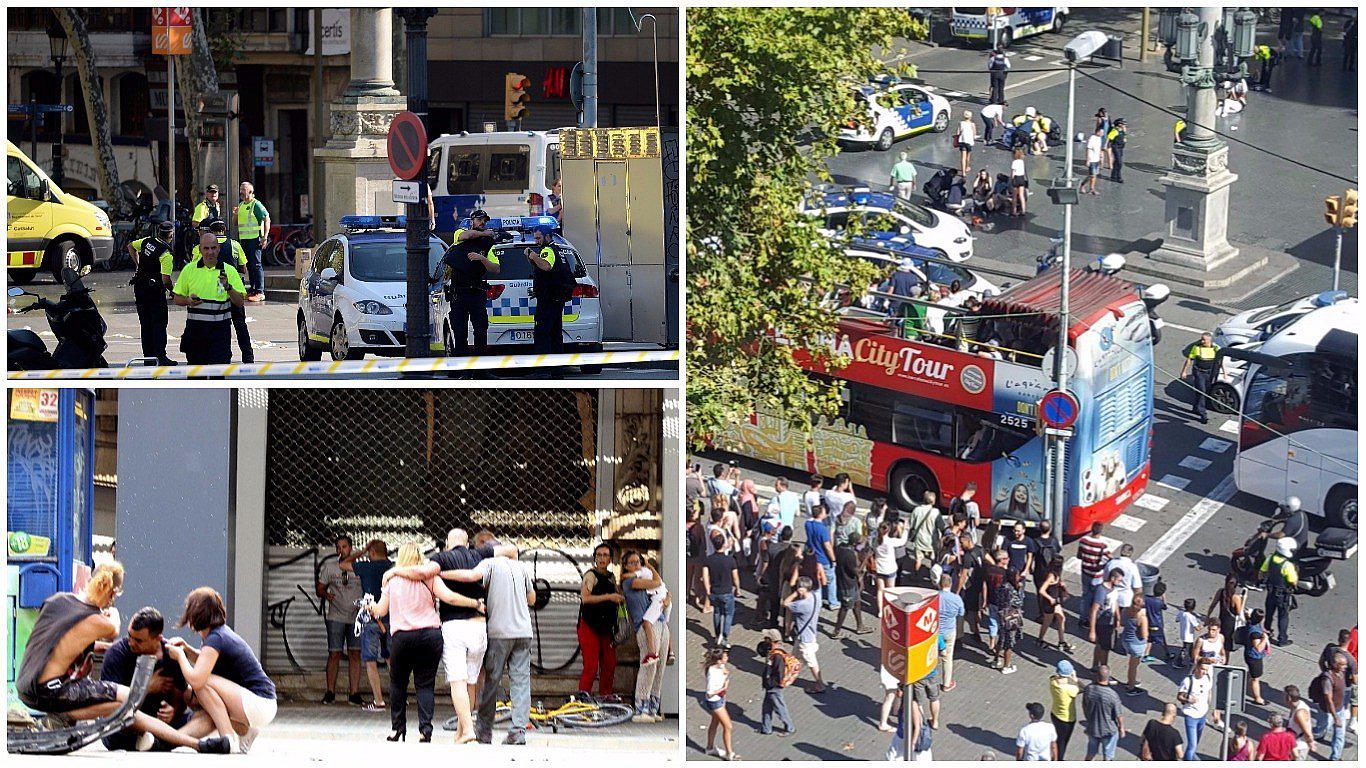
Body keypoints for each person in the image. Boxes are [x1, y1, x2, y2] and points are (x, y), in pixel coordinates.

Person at [369, 543, 481, 743]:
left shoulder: (392, 579)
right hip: (430, 636)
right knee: (425, 685)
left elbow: (381, 611)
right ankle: (425, 730)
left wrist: (370, 607)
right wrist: (475, 603)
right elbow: (450, 597)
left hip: (402, 638)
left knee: (398, 684)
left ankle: (397, 729)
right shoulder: (430, 578)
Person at [439, 534, 537, 744]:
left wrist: (441, 573)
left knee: (491, 682)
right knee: (521, 681)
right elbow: (532, 599)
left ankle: (484, 731)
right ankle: (518, 731)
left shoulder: (489, 563)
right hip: (523, 632)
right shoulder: (521, 568)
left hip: (499, 632)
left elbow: (470, 576)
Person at [170, 586, 278, 753]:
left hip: (259, 702)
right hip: (260, 704)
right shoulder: (218, 635)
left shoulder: (216, 638)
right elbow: (206, 661)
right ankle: (245, 732)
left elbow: (197, 679)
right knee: (203, 689)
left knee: (202, 683)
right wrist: (187, 649)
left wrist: (180, 656)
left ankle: (227, 738)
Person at [97, 607, 192, 752]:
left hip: (162, 724)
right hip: (126, 727)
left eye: (138, 640)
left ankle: (161, 740)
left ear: (157, 639)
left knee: (201, 717)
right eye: (129, 636)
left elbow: (181, 700)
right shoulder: (116, 653)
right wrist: (146, 687)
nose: (131, 642)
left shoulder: (171, 655)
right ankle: (167, 741)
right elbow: (109, 706)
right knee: (115, 727)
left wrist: (173, 710)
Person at [172, 233, 247, 364]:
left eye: (213, 248)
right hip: (196, 334)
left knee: (219, 373)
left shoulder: (229, 270)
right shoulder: (189, 270)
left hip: (220, 335)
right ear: (200, 249)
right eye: (206, 248)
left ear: (218, 249)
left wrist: (228, 287)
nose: (210, 252)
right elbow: (177, 298)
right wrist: (188, 301)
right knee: (196, 374)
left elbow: (240, 302)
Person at [437, 209, 502, 357]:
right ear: (472, 221)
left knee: (480, 329)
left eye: (484, 220)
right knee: (459, 330)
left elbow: (496, 269)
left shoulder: (488, 244)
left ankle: (480, 365)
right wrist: (486, 233)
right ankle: (462, 365)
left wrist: (482, 259)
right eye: (479, 220)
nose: (482, 223)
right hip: (459, 293)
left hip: (476, 292)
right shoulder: (460, 233)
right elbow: (469, 235)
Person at [190, 219, 254, 364]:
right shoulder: (234, 245)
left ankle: (221, 356)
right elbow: (243, 268)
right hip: (232, 290)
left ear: (211, 232)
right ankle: (248, 356)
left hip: (213, 292)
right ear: (224, 229)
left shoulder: (201, 248)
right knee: (240, 324)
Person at [622, 551, 671, 723]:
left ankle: (652, 708)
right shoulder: (630, 582)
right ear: (626, 566)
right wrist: (650, 567)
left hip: (661, 622)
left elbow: (662, 590)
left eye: (639, 562)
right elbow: (657, 582)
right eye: (632, 562)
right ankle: (641, 708)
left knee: (659, 668)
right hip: (645, 626)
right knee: (649, 666)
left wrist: (667, 599)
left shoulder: (643, 579)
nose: (637, 565)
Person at [316, 535, 364, 706]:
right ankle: (330, 692)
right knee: (334, 653)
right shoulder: (330, 568)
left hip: (356, 617)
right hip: (335, 616)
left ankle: (354, 693)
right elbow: (319, 589)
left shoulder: (360, 568)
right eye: (338, 547)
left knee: (355, 654)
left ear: (350, 548)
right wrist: (326, 595)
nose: (341, 550)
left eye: (344, 547)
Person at [350, 540, 393, 712]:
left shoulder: (366, 567)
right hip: (391, 618)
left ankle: (379, 701)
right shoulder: (393, 568)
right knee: (391, 659)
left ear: (372, 552)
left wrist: (362, 551)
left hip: (371, 619)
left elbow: (343, 563)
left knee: (370, 660)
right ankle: (399, 698)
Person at [127, 220, 177, 365]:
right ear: (171, 235)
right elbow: (166, 279)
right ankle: (160, 356)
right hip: (154, 291)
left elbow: (130, 246)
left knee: (145, 324)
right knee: (159, 323)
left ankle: (148, 358)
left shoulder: (147, 241)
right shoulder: (166, 254)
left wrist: (138, 265)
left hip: (140, 287)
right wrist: (172, 291)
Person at [578, 543, 625, 696]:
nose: (602, 558)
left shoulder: (611, 577)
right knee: (591, 667)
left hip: (606, 628)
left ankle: (605, 697)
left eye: (605, 555)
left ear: (610, 559)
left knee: (609, 665)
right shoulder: (591, 575)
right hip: (589, 626)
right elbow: (585, 598)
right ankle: (583, 698)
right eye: (599, 555)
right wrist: (609, 597)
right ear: (594, 558)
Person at [527, 224, 574, 358]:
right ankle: (556, 366)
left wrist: (534, 256)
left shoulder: (547, 250)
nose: (536, 241)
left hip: (548, 299)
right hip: (556, 298)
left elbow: (546, 266)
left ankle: (543, 366)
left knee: (542, 333)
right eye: (535, 238)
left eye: (538, 238)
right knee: (555, 333)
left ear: (547, 236)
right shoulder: (558, 250)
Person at [783, 577, 826, 693]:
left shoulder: (801, 605)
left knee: (812, 662)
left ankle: (820, 684)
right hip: (809, 634)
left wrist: (794, 594)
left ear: (802, 589)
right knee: (795, 657)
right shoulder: (816, 596)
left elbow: (785, 603)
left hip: (805, 639)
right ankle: (789, 675)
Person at [231, 181, 269, 301]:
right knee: (249, 265)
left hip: (254, 239)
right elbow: (235, 223)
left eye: (244, 189)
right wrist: (235, 214)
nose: (241, 192)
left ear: (251, 191)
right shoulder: (241, 205)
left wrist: (265, 237)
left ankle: (260, 291)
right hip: (244, 240)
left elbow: (266, 219)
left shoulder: (256, 205)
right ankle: (252, 290)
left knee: (256, 265)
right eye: (241, 189)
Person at [702, 533, 740, 647]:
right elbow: (735, 577)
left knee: (717, 612)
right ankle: (724, 637)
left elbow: (705, 576)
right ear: (724, 544)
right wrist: (737, 588)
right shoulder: (730, 560)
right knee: (729, 614)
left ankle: (717, 635)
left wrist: (708, 591)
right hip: (727, 592)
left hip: (714, 592)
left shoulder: (708, 560)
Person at [1260, 535, 1298, 646]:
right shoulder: (1287, 565)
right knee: (1283, 617)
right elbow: (1293, 581)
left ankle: (1266, 633)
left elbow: (1262, 572)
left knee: (1269, 614)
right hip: (1282, 596)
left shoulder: (1270, 558)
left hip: (1270, 592)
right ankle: (1282, 639)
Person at [1310, 653, 1349, 760]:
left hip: (1340, 709)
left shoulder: (1341, 672)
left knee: (1340, 735)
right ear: (1335, 664)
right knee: (1322, 727)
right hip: (1328, 711)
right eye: (1343, 665)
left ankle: (1335, 758)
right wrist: (1335, 717)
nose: (1345, 667)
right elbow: (1329, 700)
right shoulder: (1327, 679)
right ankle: (1310, 736)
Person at [1081, 665, 1124, 761]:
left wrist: (1088, 719)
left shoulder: (1089, 689)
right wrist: (1121, 728)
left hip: (1093, 727)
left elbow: (1084, 705)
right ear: (1109, 676)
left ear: (1097, 676)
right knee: (1108, 755)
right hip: (1108, 729)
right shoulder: (1112, 695)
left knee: (1091, 753)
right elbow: (1118, 714)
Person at [758, 628, 796, 736]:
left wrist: (771, 683)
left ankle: (789, 727)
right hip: (770, 686)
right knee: (767, 707)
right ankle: (766, 728)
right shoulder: (773, 651)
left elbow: (779, 673)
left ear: (770, 640)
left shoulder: (777, 655)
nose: (764, 640)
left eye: (766, 638)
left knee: (779, 707)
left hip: (773, 686)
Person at [702, 647, 737, 760]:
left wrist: (725, 673)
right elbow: (709, 693)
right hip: (715, 701)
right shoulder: (712, 674)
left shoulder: (720, 665)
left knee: (715, 722)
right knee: (728, 726)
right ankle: (729, 753)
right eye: (725, 657)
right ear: (718, 660)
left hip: (721, 698)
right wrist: (723, 688)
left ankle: (709, 748)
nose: (727, 658)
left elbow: (724, 671)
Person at [832, 532, 870, 638]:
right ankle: (836, 632)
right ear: (854, 544)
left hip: (849, 583)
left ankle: (860, 626)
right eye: (859, 543)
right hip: (847, 585)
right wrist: (866, 559)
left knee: (857, 602)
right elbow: (857, 571)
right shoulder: (849, 555)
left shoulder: (840, 548)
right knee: (845, 607)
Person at [1177, 659, 1215, 760]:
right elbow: (1179, 696)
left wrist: (1212, 708)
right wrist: (1188, 699)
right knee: (1192, 745)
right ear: (1197, 667)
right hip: (1191, 715)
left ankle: (1191, 756)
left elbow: (1209, 692)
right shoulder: (1188, 681)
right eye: (1202, 669)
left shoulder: (1207, 678)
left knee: (1196, 741)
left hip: (1202, 714)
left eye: (1206, 670)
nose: (1204, 672)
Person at [1180, 332, 1222, 423]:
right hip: (1199, 372)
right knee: (1202, 391)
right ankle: (1203, 414)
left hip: (1209, 373)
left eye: (1204, 340)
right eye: (1201, 339)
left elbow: (1220, 361)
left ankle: (1196, 407)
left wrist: (1225, 373)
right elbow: (1189, 360)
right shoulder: (1197, 348)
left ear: (1210, 340)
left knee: (1203, 391)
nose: (1202, 341)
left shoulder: (1215, 348)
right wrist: (1184, 371)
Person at [1089, 568, 1125, 672]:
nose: (1120, 582)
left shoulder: (1113, 588)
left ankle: (1095, 667)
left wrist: (1118, 617)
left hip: (1110, 622)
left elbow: (1115, 601)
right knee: (1105, 648)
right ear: (1112, 578)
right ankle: (1103, 671)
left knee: (1100, 646)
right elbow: (1094, 611)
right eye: (1119, 580)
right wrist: (1092, 631)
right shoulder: (1101, 591)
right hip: (1102, 623)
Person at [805, 504, 839, 610]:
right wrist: (833, 559)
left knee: (817, 580)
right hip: (824, 559)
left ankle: (817, 602)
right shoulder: (823, 529)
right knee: (831, 580)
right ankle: (833, 602)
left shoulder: (807, 524)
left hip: (813, 557)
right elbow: (827, 546)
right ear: (820, 514)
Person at [1076, 522, 1110, 626]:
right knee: (1096, 598)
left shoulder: (1083, 540)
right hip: (1097, 575)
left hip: (1085, 572)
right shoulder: (1103, 545)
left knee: (1085, 596)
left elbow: (1079, 556)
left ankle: (1083, 618)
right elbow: (1106, 559)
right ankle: (1092, 619)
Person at [1035, 556, 1072, 651]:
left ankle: (1061, 642)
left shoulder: (1056, 574)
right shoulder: (1051, 576)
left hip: (1055, 602)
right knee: (1047, 622)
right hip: (1049, 603)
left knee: (1061, 618)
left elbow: (1058, 584)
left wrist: (1063, 588)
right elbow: (1042, 590)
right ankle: (1040, 639)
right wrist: (1050, 598)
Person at [936, 573, 965, 691]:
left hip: (935, 632)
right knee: (947, 658)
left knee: (931, 657)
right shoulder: (956, 599)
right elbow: (961, 613)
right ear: (951, 584)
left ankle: (927, 681)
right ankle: (946, 683)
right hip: (949, 631)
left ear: (939, 584)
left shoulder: (934, 597)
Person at [1119, 590, 1149, 695]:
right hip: (1137, 644)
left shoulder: (1125, 610)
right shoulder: (1142, 617)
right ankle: (1131, 687)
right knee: (1133, 666)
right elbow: (1144, 635)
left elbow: (1122, 623)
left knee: (1133, 665)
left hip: (1125, 640)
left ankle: (1132, 680)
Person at [1206, 574, 1246, 657]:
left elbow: (1213, 605)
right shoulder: (1236, 597)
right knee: (1226, 648)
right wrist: (1244, 599)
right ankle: (1224, 661)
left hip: (1221, 621)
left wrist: (1207, 617)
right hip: (1231, 625)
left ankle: (1215, 657)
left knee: (1219, 641)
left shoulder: (1221, 592)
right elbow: (1239, 612)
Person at [1048, 660, 1081, 759]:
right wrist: (1076, 679)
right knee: (1063, 742)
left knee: (1058, 738)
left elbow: (1058, 678)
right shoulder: (1069, 689)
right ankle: (1059, 759)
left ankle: (1055, 755)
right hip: (1067, 719)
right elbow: (1085, 689)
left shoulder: (1052, 681)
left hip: (1055, 714)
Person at [907, 490, 940, 581]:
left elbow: (911, 523)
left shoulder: (917, 510)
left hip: (919, 540)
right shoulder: (936, 512)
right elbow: (941, 526)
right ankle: (933, 576)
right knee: (933, 560)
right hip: (932, 541)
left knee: (918, 559)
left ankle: (915, 575)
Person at [1142, 581, 1173, 663]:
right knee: (1162, 641)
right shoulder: (1159, 602)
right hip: (1157, 624)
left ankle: (1146, 655)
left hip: (1148, 623)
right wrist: (1164, 597)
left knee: (1149, 639)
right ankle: (1167, 654)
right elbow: (1165, 607)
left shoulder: (1146, 598)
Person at [1285, 685, 1318, 757]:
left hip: (1299, 747)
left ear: (1289, 698)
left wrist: (1311, 742)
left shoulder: (1299, 714)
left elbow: (1307, 732)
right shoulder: (1299, 704)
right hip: (1294, 743)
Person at [1083, 126, 1103, 195]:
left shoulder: (1099, 138)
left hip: (1097, 159)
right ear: (1097, 132)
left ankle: (1087, 186)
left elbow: (1099, 148)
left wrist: (1100, 156)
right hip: (1092, 160)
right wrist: (1087, 160)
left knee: (1093, 175)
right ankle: (1090, 188)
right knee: (1092, 175)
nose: (1102, 134)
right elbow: (1088, 149)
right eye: (1101, 132)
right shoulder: (1092, 138)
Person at [955, 111, 977, 176]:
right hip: (969, 142)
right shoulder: (972, 124)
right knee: (968, 156)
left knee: (963, 157)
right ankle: (967, 167)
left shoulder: (961, 123)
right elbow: (974, 133)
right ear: (970, 117)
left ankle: (963, 173)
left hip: (962, 141)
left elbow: (958, 133)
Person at [1009, 150, 1028, 217]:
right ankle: (1023, 211)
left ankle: (1014, 211)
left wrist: (1011, 180)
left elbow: (1013, 173)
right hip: (1021, 178)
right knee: (1021, 195)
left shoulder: (1014, 162)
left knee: (1014, 196)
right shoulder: (1021, 162)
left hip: (1016, 179)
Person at [1107, 118, 1127, 183]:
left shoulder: (1122, 130)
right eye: (1123, 124)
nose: (1124, 125)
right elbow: (1109, 138)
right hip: (1116, 147)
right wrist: (1107, 146)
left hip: (1121, 147)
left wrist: (1124, 137)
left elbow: (1124, 136)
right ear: (1119, 124)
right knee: (1119, 163)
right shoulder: (1115, 131)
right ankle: (1119, 177)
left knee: (1116, 162)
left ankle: (1113, 176)